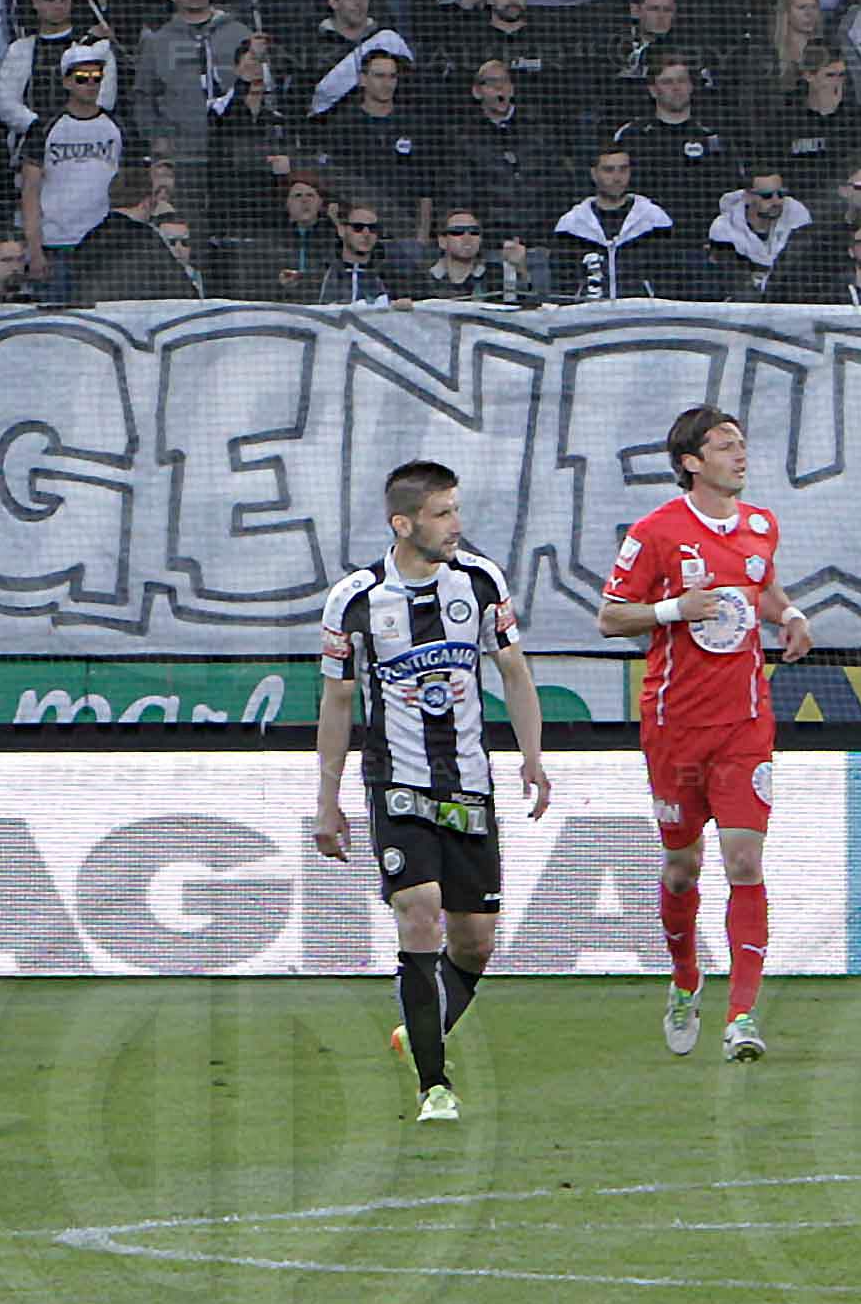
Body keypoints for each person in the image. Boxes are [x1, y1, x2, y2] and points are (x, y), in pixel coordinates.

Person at [311, 458, 551, 1128]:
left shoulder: (478, 582)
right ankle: (434, 1086)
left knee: (475, 944)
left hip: (469, 783)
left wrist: (532, 756)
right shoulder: (354, 600)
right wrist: (327, 800)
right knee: (420, 914)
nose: (455, 525)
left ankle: (421, 1024)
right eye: (443, 514)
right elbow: (336, 703)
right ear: (404, 522)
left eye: (456, 511)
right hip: (397, 782)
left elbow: (513, 671)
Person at [597, 403, 810, 1062]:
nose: (740, 455)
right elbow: (610, 617)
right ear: (691, 461)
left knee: (744, 860)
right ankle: (686, 976)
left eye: (742, 444)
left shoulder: (760, 525)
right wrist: (672, 609)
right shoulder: (657, 532)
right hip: (675, 728)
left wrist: (790, 614)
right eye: (724, 446)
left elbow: (760, 587)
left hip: (745, 723)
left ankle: (742, 1017)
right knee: (683, 869)